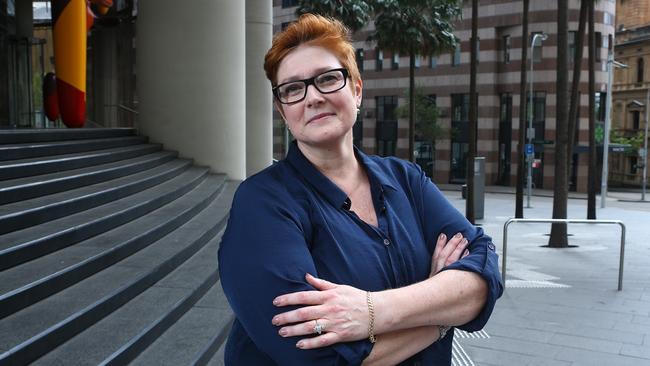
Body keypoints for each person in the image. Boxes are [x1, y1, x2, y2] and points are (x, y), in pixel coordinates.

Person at [218, 13, 503, 365]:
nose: (312, 97)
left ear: (356, 89)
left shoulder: (406, 180)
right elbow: (319, 357)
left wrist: (370, 311)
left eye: (327, 79)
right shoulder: (262, 204)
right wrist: (440, 315)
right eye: (293, 88)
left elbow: (485, 268)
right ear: (282, 110)